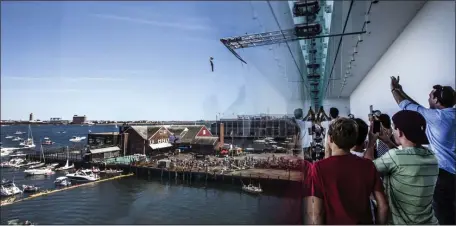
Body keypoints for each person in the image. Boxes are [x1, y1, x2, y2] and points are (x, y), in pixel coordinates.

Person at [390, 76, 456, 225]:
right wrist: (402, 90)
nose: (428, 99)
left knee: (443, 216)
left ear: (437, 101)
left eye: (430, 97)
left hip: (443, 175)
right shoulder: (445, 116)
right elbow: (419, 108)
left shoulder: (436, 117)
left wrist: (394, 89)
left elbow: (405, 105)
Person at [365, 110, 439, 225]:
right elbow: (405, 158)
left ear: (399, 132)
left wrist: (371, 142)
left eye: (394, 128)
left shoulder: (395, 157)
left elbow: (366, 168)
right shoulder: (431, 156)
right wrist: (388, 142)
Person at [310, 118, 388, 224]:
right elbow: (383, 206)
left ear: (330, 139)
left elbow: (317, 212)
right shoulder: (368, 165)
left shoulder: (319, 168)